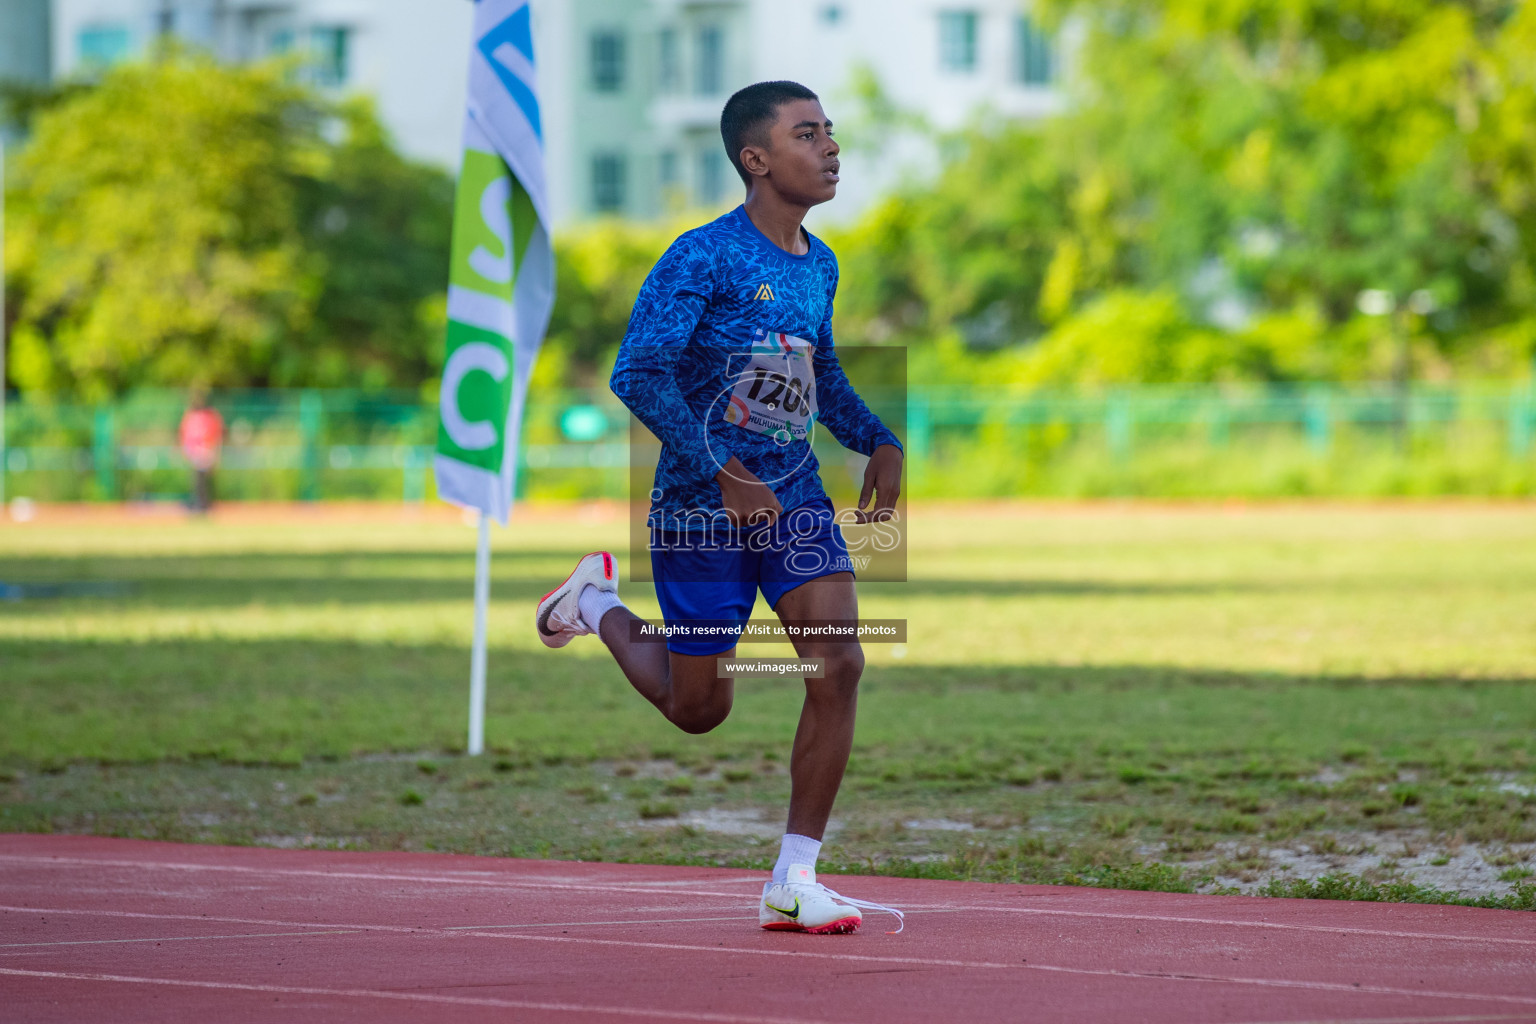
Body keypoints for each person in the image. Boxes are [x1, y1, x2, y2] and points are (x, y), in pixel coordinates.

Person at [536, 81, 904, 935]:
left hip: (796, 497)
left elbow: (824, 372)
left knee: (839, 662)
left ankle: (794, 877)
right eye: (807, 134)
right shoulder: (701, 255)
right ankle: (594, 604)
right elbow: (638, 372)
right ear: (757, 158)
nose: (830, 148)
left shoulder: (822, 262)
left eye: (831, 132)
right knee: (700, 709)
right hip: (700, 509)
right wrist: (722, 466)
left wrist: (877, 438)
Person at [179, 390, 224, 513]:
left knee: (202, 479)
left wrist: (213, 451)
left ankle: (203, 503)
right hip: (196, 452)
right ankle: (199, 502)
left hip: (204, 451)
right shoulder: (192, 416)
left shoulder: (209, 416)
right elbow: (186, 435)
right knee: (197, 479)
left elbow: (215, 435)